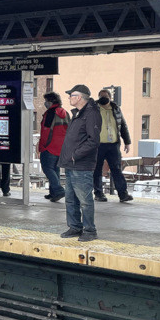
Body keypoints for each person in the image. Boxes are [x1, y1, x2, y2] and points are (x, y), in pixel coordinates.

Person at [58, 84, 101, 242]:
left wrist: (76, 155)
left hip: (81, 165)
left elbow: (93, 141)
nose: (69, 98)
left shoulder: (91, 114)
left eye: (71, 95)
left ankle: (90, 230)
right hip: (71, 164)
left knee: (84, 199)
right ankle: (75, 227)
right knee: (70, 198)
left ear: (79, 97)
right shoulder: (78, 113)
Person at [93, 88, 133, 203]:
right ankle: (99, 194)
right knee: (97, 170)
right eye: (101, 96)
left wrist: (127, 142)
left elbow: (123, 125)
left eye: (105, 96)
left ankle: (123, 194)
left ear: (110, 98)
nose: (103, 98)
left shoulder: (116, 109)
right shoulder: (93, 109)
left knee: (116, 169)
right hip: (98, 145)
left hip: (113, 145)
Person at [39, 92, 68, 202]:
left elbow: (46, 132)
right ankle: (53, 193)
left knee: (47, 168)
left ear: (51, 102)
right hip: (61, 147)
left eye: (46, 101)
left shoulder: (50, 113)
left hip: (49, 146)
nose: (45, 103)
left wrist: (42, 146)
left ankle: (59, 190)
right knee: (55, 169)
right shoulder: (65, 113)